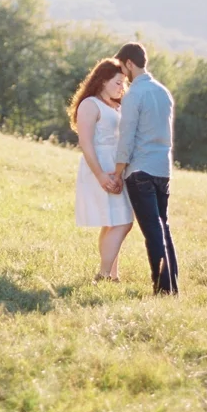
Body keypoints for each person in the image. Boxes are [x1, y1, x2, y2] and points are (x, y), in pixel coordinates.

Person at [111, 42, 179, 295]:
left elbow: (126, 138)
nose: (122, 74)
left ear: (129, 63)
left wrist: (117, 173)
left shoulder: (134, 95)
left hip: (140, 170)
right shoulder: (163, 92)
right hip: (163, 169)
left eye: (122, 67)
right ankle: (171, 288)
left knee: (153, 231)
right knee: (163, 228)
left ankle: (162, 290)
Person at [69, 59, 134, 282]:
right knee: (123, 222)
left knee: (113, 221)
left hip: (118, 168)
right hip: (99, 166)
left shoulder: (118, 106)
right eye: (118, 82)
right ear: (103, 80)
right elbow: (85, 142)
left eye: (124, 83)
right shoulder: (90, 104)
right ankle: (104, 273)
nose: (121, 87)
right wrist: (100, 175)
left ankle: (112, 274)